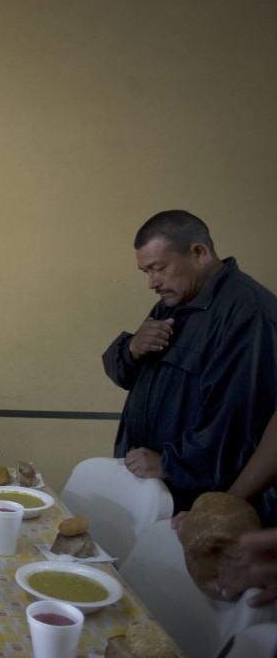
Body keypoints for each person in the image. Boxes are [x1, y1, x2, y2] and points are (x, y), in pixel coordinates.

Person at [102, 210, 277, 524]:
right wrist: (131, 349)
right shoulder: (178, 300)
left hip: (202, 502)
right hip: (158, 488)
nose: (153, 282)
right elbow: (125, 376)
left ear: (199, 253)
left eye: (159, 268)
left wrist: (170, 463)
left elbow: (237, 423)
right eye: (146, 272)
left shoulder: (248, 313)